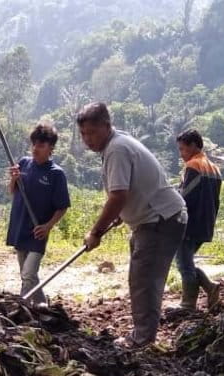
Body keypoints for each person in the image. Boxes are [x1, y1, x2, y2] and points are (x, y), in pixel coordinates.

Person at [77, 102, 187, 349]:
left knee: (144, 279)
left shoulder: (116, 149)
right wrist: (119, 216)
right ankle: (143, 334)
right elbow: (129, 191)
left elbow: (118, 196)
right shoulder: (116, 143)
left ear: (107, 126)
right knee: (142, 277)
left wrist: (95, 232)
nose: (87, 139)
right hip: (151, 220)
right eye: (83, 134)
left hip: (160, 219)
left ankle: (141, 341)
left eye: (92, 133)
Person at [6, 123, 71, 305]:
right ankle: (42, 305)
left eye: (41, 145)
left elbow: (62, 206)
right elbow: (12, 191)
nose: (36, 149)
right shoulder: (23, 164)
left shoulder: (56, 174)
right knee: (28, 275)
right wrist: (14, 179)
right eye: (34, 144)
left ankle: (22, 307)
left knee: (28, 274)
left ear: (51, 148)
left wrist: (48, 226)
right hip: (20, 226)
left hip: (38, 231)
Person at [174, 129, 222, 310]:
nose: (181, 154)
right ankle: (210, 287)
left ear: (194, 146)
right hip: (206, 224)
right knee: (187, 261)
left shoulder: (194, 166)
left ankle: (188, 303)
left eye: (183, 149)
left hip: (190, 224)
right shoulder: (214, 168)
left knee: (184, 264)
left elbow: (184, 197)